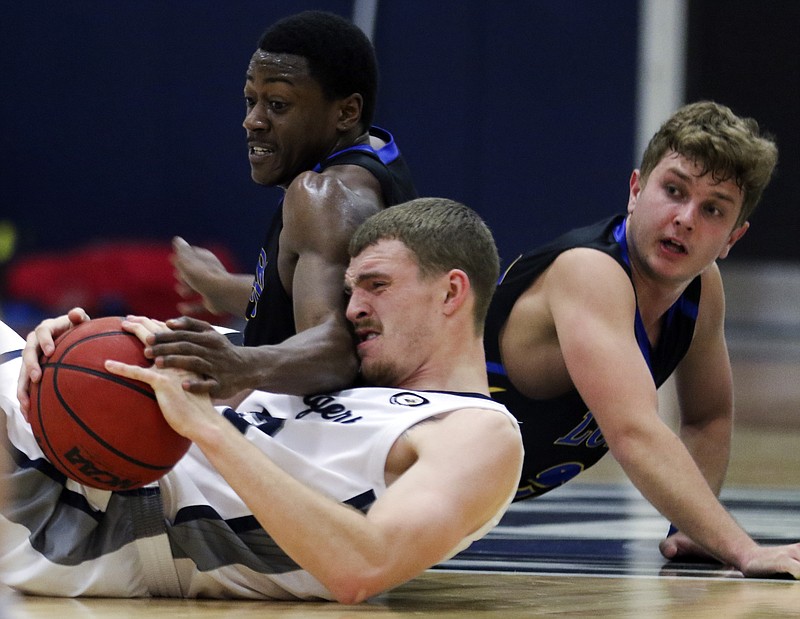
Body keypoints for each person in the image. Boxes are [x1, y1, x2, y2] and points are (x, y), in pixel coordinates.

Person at [0, 199, 523, 603]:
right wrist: (64, 354)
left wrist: (208, 429)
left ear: (452, 292)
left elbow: (364, 567)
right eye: (350, 291)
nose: (354, 308)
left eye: (377, 286)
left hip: (90, 517)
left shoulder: (476, 431)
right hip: (58, 438)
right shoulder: (330, 369)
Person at [15, 10, 417, 415]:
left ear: (346, 112)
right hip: (323, 405)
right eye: (251, 100)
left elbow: (335, 351)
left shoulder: (321, 195)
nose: (252, 121)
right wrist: (218, 285)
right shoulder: (377, 159)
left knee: (42, 387)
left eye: (277, 104)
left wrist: (239, 364)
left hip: (313, 428)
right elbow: (305, 296)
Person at [484, 101, 800, 579]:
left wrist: (693, 526)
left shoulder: (701, 289)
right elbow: (633, 431)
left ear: (733, 238)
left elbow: (708, 417)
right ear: (635, 190)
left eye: (712, 209)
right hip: (372, 469)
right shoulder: (589, 271)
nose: (686, 218)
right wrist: (744, 550)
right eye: (673, 190)